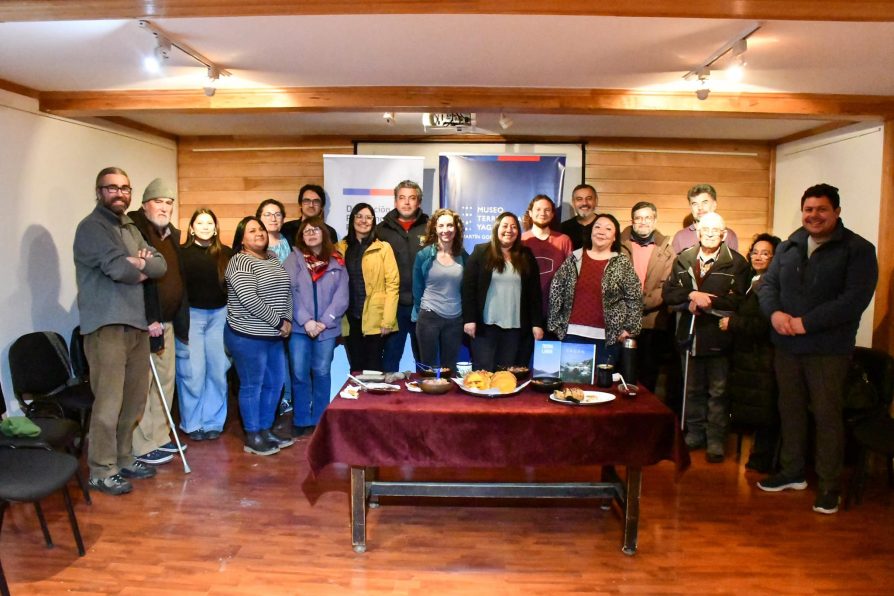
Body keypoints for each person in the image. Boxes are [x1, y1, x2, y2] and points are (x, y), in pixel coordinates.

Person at [757, 183, 878, 514]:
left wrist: (806, 323)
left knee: (826, 416)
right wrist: (776, 314)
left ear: (836, 212)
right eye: (809, 209)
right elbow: (768, 286)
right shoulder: (790, 245)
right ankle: (792, 471)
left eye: (821, 209)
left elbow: (853, 300)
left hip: (828, 349)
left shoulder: (858, 249)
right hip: (786, 344)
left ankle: (829, 486)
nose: (814, 215)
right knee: (790, 410)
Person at [74, 166, 167, 495]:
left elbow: (160, 265)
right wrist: (140, 265)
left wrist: (140, 264)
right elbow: (117, 270)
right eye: (111, 188)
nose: (119, 193)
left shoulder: (129, 225)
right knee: (109, 402)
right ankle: (101, 469)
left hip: (136, 325)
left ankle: (124, 457)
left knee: (133, 400)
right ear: (99, 192)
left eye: (125, 188)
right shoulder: (91, 228)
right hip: (105, 327)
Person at [663, 212, 749, 463]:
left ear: (724, 234)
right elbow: (670, 293)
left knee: (719, 391)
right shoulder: (684, 258)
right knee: (691, 389)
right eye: (705, 229)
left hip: (719, 337)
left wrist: (706, 301)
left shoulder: (737, 263)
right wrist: (691, 295)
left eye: (715, 230)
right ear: (698, 232)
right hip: (688, 336)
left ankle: (715, 440)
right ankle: (695, 434)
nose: (710, 233)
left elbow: (739, 300)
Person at [224, 216, 294, 456]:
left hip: (274, 335)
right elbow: (249, 299)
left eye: (261, 229)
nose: (259, 233)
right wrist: (278, 321)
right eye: (252, 230)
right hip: (248, 336)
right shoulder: (239, 261)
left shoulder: (273, 258)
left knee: (276, 383)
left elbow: (287, 291)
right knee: (253, 385)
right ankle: (252, 435)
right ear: (242, 239)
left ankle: (265, 429)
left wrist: (288, 320)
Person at [719, 233, 781, 473]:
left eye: (765, 253)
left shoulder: (773, 286)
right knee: (754, 407)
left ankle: (763, 459)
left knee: (765, 410)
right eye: (755, 251)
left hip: (764, 357)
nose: (758, 256)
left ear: (775, 257)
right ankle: (756, 457)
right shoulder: (750, 280)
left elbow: (764, 323)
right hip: (748, 356)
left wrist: (732, 324)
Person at [284, 216, 348, 436]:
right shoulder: (293, 260)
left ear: (324, 233)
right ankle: (301, 419)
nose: (311, 233)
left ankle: (321, 419)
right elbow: (289, 292)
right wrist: (306, 320)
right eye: (306, 231)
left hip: (327, 329)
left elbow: (342, 296)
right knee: (300, 373)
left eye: (315, 230)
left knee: (321, 372)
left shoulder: (336, 260)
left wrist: (324, 321)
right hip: (301, 329)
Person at [549, 213, 643, 365]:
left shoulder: (621, 263)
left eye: (608, 229)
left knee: (602, 385)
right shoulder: (575, 257)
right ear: (591, 232)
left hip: (607, 339)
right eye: (597, 227)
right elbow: (556, 289)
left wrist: (629, 329)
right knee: (573, 383)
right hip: (572, 333)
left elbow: (635, 297)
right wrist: (556, 324)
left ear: (614, 237)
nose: (601, 231)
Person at [177, 208, 233, 441]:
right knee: (193, 372)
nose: (205, 226)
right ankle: (192, 423)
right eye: (200, 222)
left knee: (218, 371)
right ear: (191, 228)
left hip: (220, 317)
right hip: (192, 317)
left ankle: (213, 422)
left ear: (216, 227)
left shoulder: (226, 253)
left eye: (210, 222)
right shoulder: (181, 254)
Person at [462, 212, 543, 371]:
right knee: (483, 372)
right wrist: (469, 319)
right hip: (484, 327)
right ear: (496, 228)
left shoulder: (526, 255)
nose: (509, 230)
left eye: (514, 227)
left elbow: (534, 294)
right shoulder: (481, 252)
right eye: (505, 226)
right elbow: (468, 288)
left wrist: (537, 324)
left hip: (515, 327)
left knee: (507, 374)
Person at [619, 201, 675, 392]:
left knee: (648, 374)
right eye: (638, 218)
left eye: (648, 218)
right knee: (622, 374)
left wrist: (638, 303)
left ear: (655, 220)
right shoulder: (619, 246)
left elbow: (666, 287)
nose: (643, 222)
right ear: (632, 221)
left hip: (652, 322)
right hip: (621, 320)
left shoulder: (667, 250)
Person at [337, 203, 400, 372]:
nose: (363, 221)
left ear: (373, 221)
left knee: (373, 369)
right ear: (352, 219)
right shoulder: (341, 247)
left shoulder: (383, 248)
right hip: (350, 317)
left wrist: (388, 319)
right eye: (359, 216)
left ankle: (374, 399)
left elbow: (393, 285)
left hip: (376, 318)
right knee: (356, 368)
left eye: (368, 217)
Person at [377, 180, 429, 372]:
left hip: (423, 304)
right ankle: (388, 401)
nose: (406, 202)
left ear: (419, 202)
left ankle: (425, 400)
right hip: (394, 306)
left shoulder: (430, 227)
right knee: (390, 358)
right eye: (402, 198)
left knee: (425, 359)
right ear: (395, 201)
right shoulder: (381, 230)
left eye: (412, 198)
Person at [412, 208, 469, 373]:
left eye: (450, 225)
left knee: (449, 370)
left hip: (455, 320)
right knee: (428, 369)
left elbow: (467, 289)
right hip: (429, 317)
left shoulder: (463, 256)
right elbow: (417, 289)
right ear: (435, 229)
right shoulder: (424, 255)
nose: (446, 230)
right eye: (441, 226)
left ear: (456, 228)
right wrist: (420, 313)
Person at [521, 194, 573, 323]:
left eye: (547, 210)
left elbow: (571, 277)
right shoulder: (521, 240)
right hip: (526, 310)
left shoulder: (564, 240)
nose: (542, 213)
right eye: (538, 209)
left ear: (552, 214)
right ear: (530, 213)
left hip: (555, 312)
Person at [672, 184, 740, 254]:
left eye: (704, 203)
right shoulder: (680, 237)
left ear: (714, 205)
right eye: (695, 204)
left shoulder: (729, 235)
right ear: (691, 208)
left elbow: (736, 263)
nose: (700, 208)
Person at [560, 184, 598, 250]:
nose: (584, 203)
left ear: (596, 201)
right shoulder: (564, 228)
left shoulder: (608, 225)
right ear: (573, 202)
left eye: (589, 198)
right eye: (579, 199)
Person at [256, 198, 291, 263]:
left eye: (278, 214)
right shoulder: (254, 245)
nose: (273, 219)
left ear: (283, 219)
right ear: (259, 219)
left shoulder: (291, 238)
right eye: (268, 215)